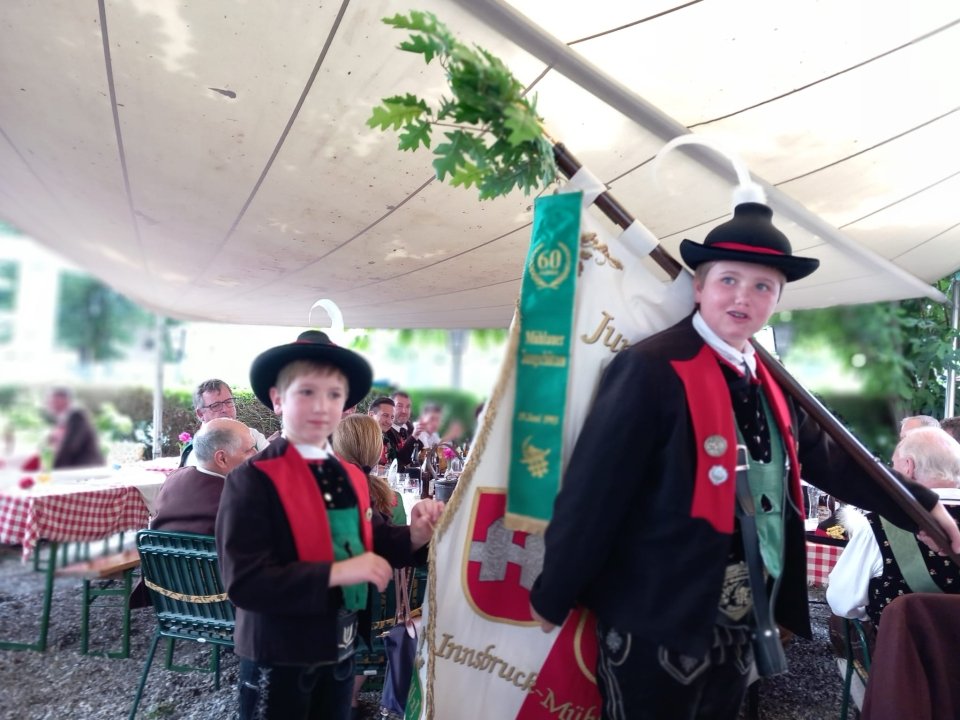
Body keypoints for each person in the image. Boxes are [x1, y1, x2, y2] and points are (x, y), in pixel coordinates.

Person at [527, 200, 960, 720]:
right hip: (655, 615)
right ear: (699, 286)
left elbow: (838, 461)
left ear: (777, 298)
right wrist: (555, 590)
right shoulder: (650, 368)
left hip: (743, 616)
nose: (743, 297)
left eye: (762, 286)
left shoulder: (771, 382)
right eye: (729, 280)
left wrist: (921, 506)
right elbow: (594, 491)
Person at [215, 329, 444, 720]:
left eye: (334, 394)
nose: (322, 405)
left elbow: (371, 537)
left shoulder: (349, 475)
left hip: (340, 644)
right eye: (307, 392)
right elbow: (245, 582)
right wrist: (339, 572)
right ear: (277, 399)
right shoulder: (252, 480)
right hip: (279, 652)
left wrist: (415, 536)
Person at [827, 427, 960, 625]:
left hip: (904, 643)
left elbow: (842, 601)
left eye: (893, 465)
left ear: (908, 467)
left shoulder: (881, 523)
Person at [333, 412, 407, 720]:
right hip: (385, 612)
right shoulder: (390, 497)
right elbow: (399, 547)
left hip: (338, 614)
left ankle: (346, 696)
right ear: (379, 450)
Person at [151, 418, 258, 535]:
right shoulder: (240, 498)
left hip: (160, 547)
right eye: (249, 450)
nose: (257, 453)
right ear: (222, 459)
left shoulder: (173, 478)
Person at [180, 378, 269, 467]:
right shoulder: (196, 453)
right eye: (215, 406)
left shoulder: (253, 435)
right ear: (200, 414)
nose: (225, 409)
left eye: (228, 402)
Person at [45, 387, 104, 469]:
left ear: (64, 400)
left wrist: (53, 468)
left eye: (52, 401)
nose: (49, 404)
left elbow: (69, 447)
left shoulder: (77, 416)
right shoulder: (64, 419)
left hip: (85, 467)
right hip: (75, 468)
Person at [367, 396, 400, 466]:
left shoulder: (387, 440)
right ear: (371, 415)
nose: (389, 421)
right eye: (385, 415)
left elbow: (396, 465)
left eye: (392, 417)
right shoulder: (358, 438)